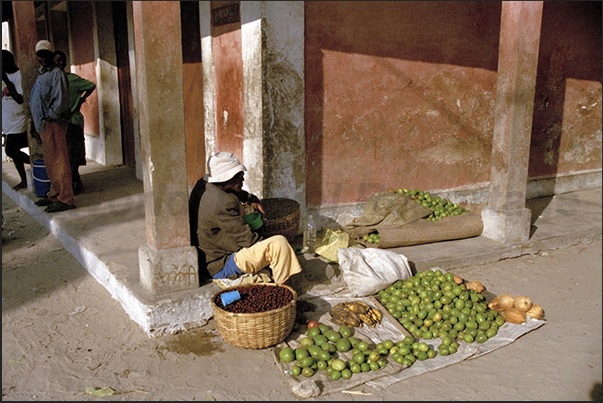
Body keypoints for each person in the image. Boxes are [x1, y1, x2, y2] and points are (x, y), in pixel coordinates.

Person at [195, 151, 302, 285]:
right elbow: (249, 240)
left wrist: (249, 198)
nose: (243, 179)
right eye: (239, 176)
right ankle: (284, 292)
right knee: (279, 245)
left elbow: (230, 192)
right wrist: (268, 247)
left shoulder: (204, 186)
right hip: (221, 264)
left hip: (209, 256)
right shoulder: (223, 204)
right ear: (226, 178)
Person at [29, 40, 75, 213]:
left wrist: (51, 118)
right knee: (51, 163)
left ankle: (66, 199)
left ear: (51, 55)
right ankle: (55, 195)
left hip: (53, 124)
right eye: (39, 55)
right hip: (43, 125)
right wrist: (35, 124)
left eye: (45, 55)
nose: (42, 58)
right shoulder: (41, 75)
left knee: (59, 162)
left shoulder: (57, 74)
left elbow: (62, 100)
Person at [54, 50, 96, 194]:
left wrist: (81, 99)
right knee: (66, 155)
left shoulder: (71, 79)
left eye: (62, 60)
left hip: (73, 122)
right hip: (59, 123)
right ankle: (76, 183)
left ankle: (74, 184)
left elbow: (90, 85)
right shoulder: (52, 80)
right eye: (57, 60)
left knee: (73, 154)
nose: (60, 63)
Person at [2, 49, 30, 190]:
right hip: (8, 120)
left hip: (19, 120)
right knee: (14, 152)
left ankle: (36, 162)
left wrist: (6, 80)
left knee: (11, 150)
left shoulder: (19, 75)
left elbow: (19, 99)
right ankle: (23, 180)